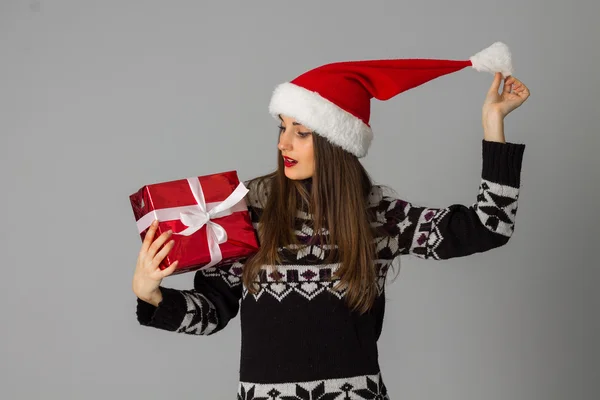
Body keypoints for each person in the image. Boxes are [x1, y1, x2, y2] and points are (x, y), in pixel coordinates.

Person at [132, 42, 530, 399]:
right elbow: (212, 311)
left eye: (301, 132)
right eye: (282, 127)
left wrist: (493, 123)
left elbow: (488, 227)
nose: (282, 143)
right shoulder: (250, 212)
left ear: (336, 142)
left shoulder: (380, 219)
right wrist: (151, 293)